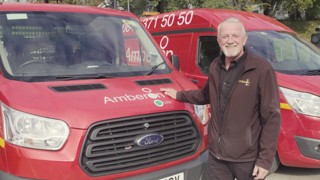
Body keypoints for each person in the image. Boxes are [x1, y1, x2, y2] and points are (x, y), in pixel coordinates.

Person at [160, 17, 281, 180]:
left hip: (247, 159)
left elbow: (271, 117)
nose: (230, 41)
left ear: (244, 39)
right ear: (218, 40)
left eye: (235, 36)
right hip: (217, 157)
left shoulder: (261, 69)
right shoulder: (215, 66)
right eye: (225, 36)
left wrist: (265, 161)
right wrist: (178, 95)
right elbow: (205, 95)